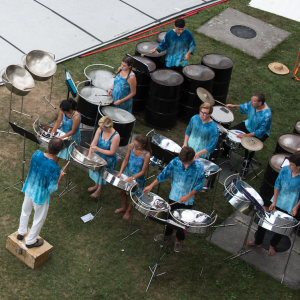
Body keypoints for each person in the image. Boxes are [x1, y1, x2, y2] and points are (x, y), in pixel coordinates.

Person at [143, 147, 205, 253]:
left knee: (183, 220)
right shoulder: (176, 161)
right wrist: (151, 185)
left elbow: (199, 185)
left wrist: (188, 196)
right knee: (169, 216)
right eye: (182, 161)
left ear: (191, 159)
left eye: (185, 162)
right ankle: (167, 234)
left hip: (187, 200)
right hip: (174, 196)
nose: (183, 164)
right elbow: (164, 174)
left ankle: (178, 239)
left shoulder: (199, 167)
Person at [247, 153, 300, 255]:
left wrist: (296, 207)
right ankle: (258, 242)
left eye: (292, 164)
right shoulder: (285, 170)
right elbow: (277, 184)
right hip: (277, 200)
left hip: (290, 205)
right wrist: (274, 201)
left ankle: (273, 245)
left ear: (298, 167)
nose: (289, 165)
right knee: (264, 222)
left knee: (281, 228)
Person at [17, 138, 66, 248]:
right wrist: (60, 177)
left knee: (25, 211)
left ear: (48, 146)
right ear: (59, 151)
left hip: (29, 188)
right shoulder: (55, 168)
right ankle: (30, 241)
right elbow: (52, 189)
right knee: (38, 219)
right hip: (40, 196)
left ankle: (21, 232)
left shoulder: (36, 154)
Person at [225, 93, 272, 177]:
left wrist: (245, 135)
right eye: (251, 99)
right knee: (230, 132)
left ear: (260, 103)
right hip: (248, 125)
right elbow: (244, 107)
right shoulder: (253, 105)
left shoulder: (266, 115)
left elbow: (260, 131)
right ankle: (225, 153)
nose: (251, 102)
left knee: (250, 147)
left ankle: (245, 168)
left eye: (253, 101)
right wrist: (233, 106)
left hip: (259, 133)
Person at [115, 135, 151, 220]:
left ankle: (129, 211)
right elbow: (126, 160)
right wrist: (120, 172)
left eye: (137, 146)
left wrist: (132, 178)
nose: (134, 146)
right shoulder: (131, 146)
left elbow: (143, 171)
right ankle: (124, 207)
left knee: (133, 196)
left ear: (143, 145)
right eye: (134, 144)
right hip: (127, 173)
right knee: (121, 192)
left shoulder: (146, 155)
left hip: (137, 177)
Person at [87, 116, 120, 198]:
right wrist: (89, 155)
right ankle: (96, 185)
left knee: (103, 174)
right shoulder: (100, 130)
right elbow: (94, 142)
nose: (100, 128)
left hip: (108, 159)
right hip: (98, 156)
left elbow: (112, 152)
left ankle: (99, 190)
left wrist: (98, 149)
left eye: (102, 127)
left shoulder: (115, 137)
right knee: (97, 172)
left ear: (108, 127)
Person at [51, 98, 81, 163]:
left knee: (68, 154)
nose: (62, 112)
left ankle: (64, 169)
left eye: (64, 111)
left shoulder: (76, 116)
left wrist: (61, 138)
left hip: (72, 136)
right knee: (58, 151)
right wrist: (52, 132)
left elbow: (73, 131)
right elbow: (58, 121)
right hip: (63, 132)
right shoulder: (62, 110)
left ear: (69, 110)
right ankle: (53, 166)